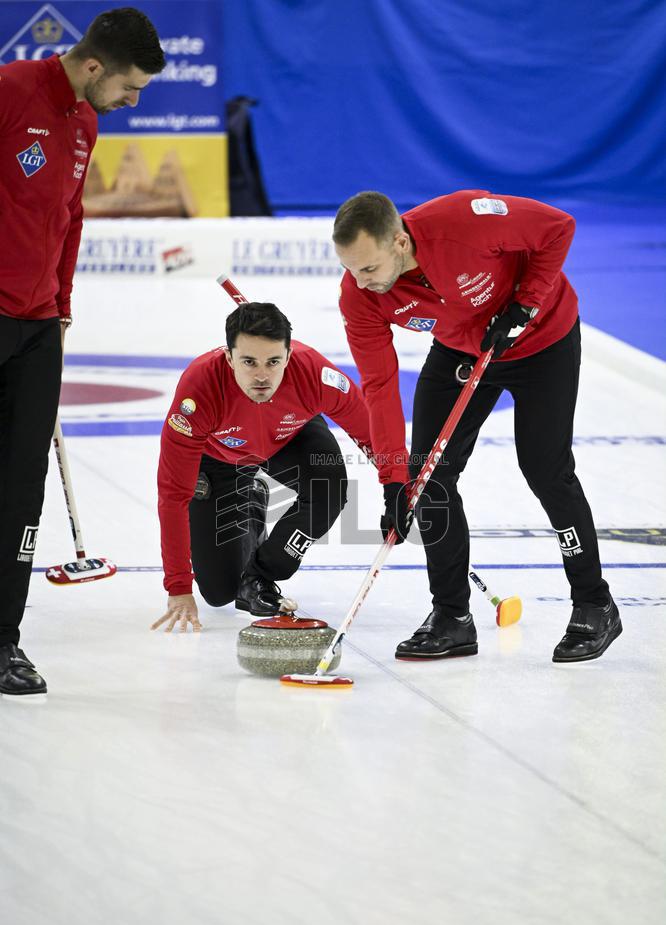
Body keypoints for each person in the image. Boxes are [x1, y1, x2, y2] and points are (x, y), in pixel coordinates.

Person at [333, 189, 622, 664]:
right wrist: (393, 480)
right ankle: (452, 618)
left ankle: (595, 603)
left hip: (541, 340)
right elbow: (380, 387)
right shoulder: (359, 297)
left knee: (545, 469)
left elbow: (557, 228)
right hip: (462, 351)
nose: (360, 283)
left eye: (369, 268)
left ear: (400, 243)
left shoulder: (464, 220)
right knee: (428, 478)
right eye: (350, 269)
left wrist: (526, 303)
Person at [0, 8, 165, 697]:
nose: (133, 102)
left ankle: (4, 638)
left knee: (19, 491)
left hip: (39, 329)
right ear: (94, 66)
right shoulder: (11, 92)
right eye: (130, 87)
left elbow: (69, 217)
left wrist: (61, 307)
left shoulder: (86, 123)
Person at [152, 302, 373, 632]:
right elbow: (173, 496)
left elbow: (372, 433)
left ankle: (262, 575)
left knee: (327, 487)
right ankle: (251, 498)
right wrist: (179, 587)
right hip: (222, 458)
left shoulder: (314, 373)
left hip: (289, 437)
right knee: (218, 592)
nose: (261, 375)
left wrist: (401, 483)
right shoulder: (198, 392)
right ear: (229, 358)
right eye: (249, 362)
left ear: (288, 355)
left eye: (273, 362)